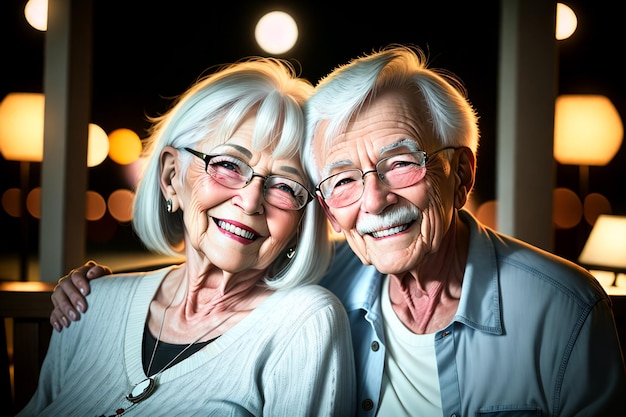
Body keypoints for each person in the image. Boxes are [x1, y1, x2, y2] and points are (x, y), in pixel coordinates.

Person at [50, 45, 626, 416]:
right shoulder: (333, 276)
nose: (373, 201)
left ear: (461, 174)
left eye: (402, 163)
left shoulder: (564, 311)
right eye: (343, 179)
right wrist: (96, 292)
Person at [20, 57, 356, 417]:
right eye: (228, 165)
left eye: (285, 186)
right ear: (170, 177)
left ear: (302, 221)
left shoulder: (304, 323)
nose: (250, 200)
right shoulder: (89, 302)